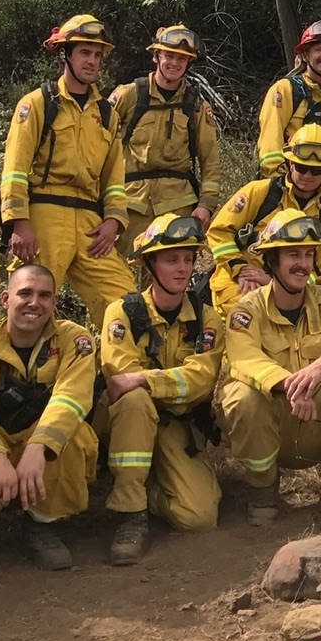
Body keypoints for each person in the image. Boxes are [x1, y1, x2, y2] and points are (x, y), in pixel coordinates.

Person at [217, 211, 321, 531]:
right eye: (292, 255)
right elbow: (243, 358)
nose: (303, 263)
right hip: (276, 422)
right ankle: (263, 489)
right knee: (239, 394)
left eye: (308, 254)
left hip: (318, 420)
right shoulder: (245, 311)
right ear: (271, 261)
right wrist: (292, 385)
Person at [0, 264, 100, 574]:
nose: (35, 303)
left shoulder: (75, 339)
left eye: (45, 296)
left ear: (55, 303)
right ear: (5, 300)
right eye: (25, 293)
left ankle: (42, 522)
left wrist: (37, 447)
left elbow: (71, 399)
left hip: (36, 441)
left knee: (77, 436)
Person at [97, 216, 224, 564]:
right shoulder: (121, 312)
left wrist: (147, 379)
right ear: (150, 264)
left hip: (176, 425)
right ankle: (130, 513)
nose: (182, 268)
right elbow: (120, 379)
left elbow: (202, 378)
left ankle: (150, 489)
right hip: (126, 418)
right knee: (135, 399)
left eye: (188, 258)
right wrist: (148, 383)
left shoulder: (206, 319)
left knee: (199, 519)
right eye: (171, 259)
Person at [0, 15, 131, 329]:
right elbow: (14, 168)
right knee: (31, 302)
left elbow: (114, 176)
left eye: (98, 55)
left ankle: (112, 369)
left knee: (125, 300)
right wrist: (19, 222)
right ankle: (20, 373)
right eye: (85, 52)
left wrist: (113, 220)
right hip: (44, 215)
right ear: (66, 55)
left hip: (89, 222)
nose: (92, 61)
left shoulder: (107, 114)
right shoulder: (39, 104)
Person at [207, 123, 321, 309]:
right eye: (301, 167)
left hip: (288, 294)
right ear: (290, 163)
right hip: (239, 283)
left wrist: (273, 283)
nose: (308, 175)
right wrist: (241, 269)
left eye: (316, 170)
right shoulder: (260, 193)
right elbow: (219, 232)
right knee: (247, 318)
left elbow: (318, 273)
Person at [105, 24, 222, 232]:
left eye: (182, 58)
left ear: (189, 62)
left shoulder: (197, 106)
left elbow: (210, 159)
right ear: (156, 56)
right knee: (122, 265)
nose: (175, 63)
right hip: (130, 205)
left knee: (176, 264)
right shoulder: (129, 95)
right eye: (169, 56)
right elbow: (98, 144)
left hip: (179, 206)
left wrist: (206, 205)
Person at [257, 19, 321, 178]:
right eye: (319, 49)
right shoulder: (286, 90)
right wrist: (280, 184)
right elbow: (270, 146)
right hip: (291, 185)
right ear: (304, 55)